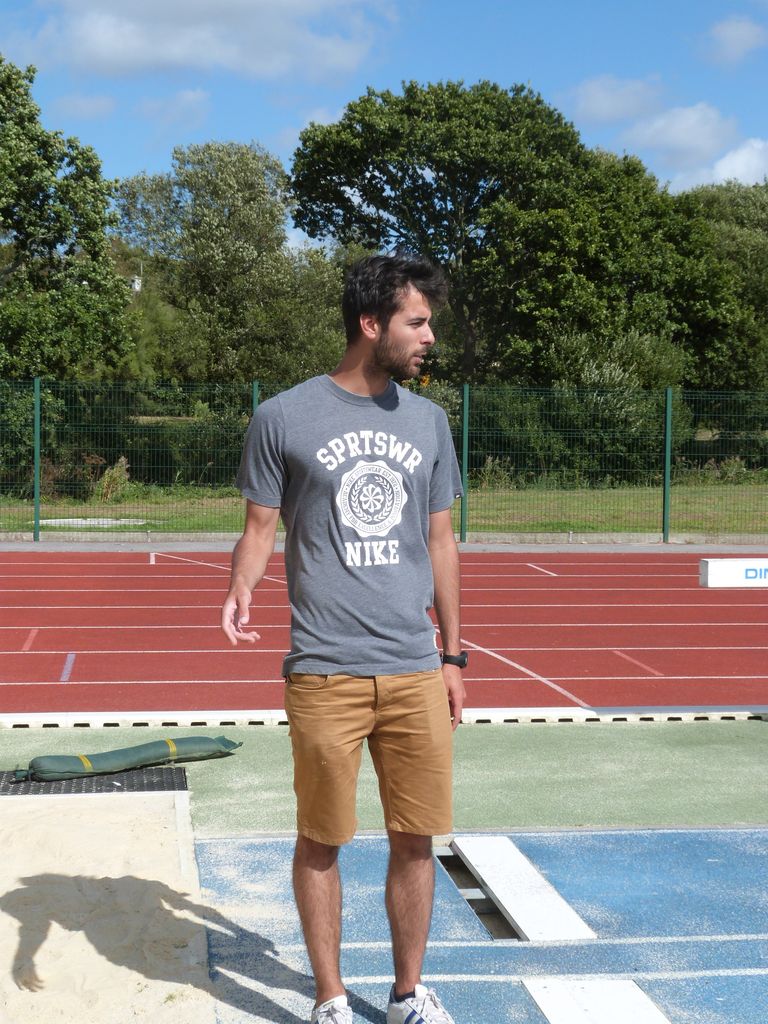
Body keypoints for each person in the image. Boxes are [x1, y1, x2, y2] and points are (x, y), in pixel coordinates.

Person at [221, 253, 467, 1024]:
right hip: (325, 671)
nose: (429, 337)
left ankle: (406, 995)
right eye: (417, 322)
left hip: (414, 669)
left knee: (416, 839)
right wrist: (241, 583)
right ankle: (329, 998)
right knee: (321, 840)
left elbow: (441, 543)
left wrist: (452, 656)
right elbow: (260, 526)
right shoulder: (284, 416)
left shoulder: (429, 422)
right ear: (371, 324)